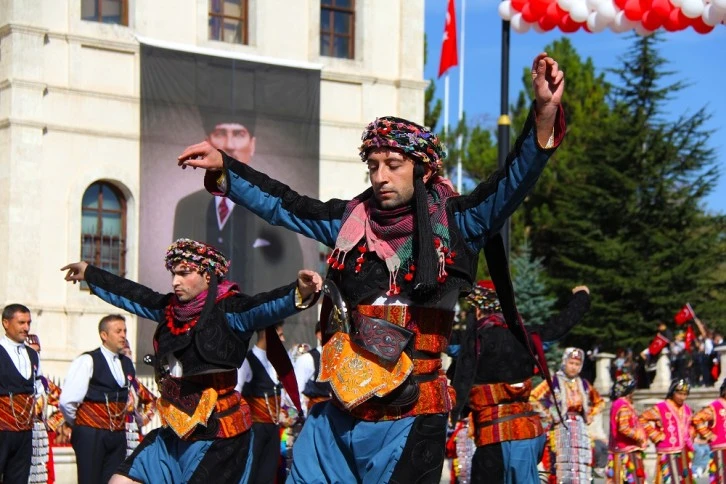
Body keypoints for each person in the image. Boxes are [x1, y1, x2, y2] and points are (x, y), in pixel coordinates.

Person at [177, 52, 565, 483]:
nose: (380, 176)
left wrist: (544, 112)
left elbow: (511, 182)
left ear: (422, 170)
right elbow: (284, 204)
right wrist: (226, 168)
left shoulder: (459, 223)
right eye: (373, 165)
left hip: (409, 416)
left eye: (393, 165)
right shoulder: (348, 221)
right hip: (338, 414)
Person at [60, 238, 322, 483]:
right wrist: (90, 273)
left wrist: (299, 291)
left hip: (219, 438)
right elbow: (134, 295)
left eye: (184, 273)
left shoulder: (231, 310)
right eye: (173, 274)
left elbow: (264, 306)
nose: (176, 281)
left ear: (208, 275)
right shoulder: (170, 309)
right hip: (174, 432)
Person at [451, 281, 591, 483]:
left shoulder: (470, 341)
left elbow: (433, 336)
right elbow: (561, 324)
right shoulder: (527, 337)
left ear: (479, 310)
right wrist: (581, 296)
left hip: (492, 435)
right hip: (527, 433)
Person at [173, 111, 304, 294]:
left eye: (239, 134)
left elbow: (292, 272)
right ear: (206, 144)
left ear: (252, 145)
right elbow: (178, 269)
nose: (230, 145)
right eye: (220, 133)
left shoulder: (273, 206)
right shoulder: (188, 207)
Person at [59, 314, 138, 484]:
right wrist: (81, 422)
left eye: (124, 331)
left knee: (113, 480)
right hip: (91, 432)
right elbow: (68, 401)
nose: (123, 335)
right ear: (104, 335)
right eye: (118, 331)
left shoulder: (126, 363)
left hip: (117, 433)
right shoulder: (88, 360)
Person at [532, 347, 605, 483]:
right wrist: (549, 414)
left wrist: (590, 414)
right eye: (571, 363)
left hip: (580, 428)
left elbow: (600, 402)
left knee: (581, 463)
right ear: (564, 362)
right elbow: (533, 397)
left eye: (577, 364)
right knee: (561, 464)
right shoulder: (553, 381)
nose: (573, 367)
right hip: (560, 428)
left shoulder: (583, 384)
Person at [238, 322, 289, 483]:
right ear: (268, 334)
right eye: (279, 335)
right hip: (254, 429)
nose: (283, 339)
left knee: (268, 474)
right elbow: (236, 395)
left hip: (273, 428)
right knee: (251, 472)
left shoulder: (276, 362)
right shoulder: (246, 361)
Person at [0, 304, 44, 484]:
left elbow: (38, 389)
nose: (26, 328)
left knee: (19, 478)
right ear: (6, 323)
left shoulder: (33, 355)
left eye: (28, 323)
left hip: (24, 430)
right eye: (21, 323)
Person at [639, 378, 694, 484]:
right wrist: (656, 435)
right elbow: (642, 419)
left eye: (685, 394)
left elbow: (690, 426)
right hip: (667, 452)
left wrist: (689, 437)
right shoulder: (661, 408)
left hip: (683, 453)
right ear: (673, 392)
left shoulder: (687, 409)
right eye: (680, 394)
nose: (682, 397)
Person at [26, 334, 64, 484]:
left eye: (37, 352)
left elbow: (65, 402)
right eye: (31, 351)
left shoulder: (44, 383)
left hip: (39, 436)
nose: (34, 356)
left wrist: (50, 424)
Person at [606, 374, 647, 484]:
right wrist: (639, 436)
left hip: (619, 451)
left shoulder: (617, 404)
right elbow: (624, 427)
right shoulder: (623, 405)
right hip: (626, 453)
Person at [293, 322, 332, 416]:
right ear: (320, 335)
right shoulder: (307, 359)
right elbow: (295, 392)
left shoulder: (342, 359)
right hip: (316, 416)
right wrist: (305, 415)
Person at [692, 379, 726, 483]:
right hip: (720, 450)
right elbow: (697, 419)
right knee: (721, 479)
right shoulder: (715, 406)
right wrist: (708, 434)